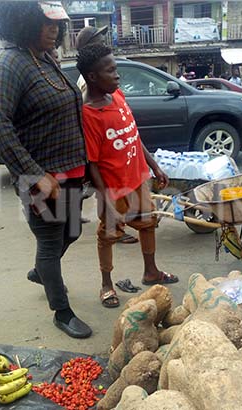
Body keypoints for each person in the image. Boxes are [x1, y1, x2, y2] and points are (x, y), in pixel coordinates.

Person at [0, 1, 92, 339]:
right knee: (49, 241)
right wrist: (32, 173)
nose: (53, 29)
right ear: (22, 23)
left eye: (57, 24)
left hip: (70, 172)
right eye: (45, 23)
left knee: (72, 232)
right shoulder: (8, 63)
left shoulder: (43, 58)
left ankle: (43, 271)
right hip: (41, 178)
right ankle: (62, 310)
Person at [77, 43, 179, 308]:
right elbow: (93, 163)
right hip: (114, 188)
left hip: (138, 178)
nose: (117, 75)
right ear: (92, 77)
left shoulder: (117, 95)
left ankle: (151, 271)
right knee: (109, 233)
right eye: (110, 71)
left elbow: (132, 133)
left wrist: (153, 164)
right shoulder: (89, 113)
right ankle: (107, 285)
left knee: (148, 223)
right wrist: (108, 201)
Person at [74, 25, 139, 243]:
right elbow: (91, 121)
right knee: (106, 196)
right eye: (99, 40)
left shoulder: (107, 80)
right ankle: (113, 228)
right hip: (105, 156)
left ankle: (113, 225)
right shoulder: (88, 83)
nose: (104, 42)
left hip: (116, 152)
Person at [74, 25, 108, 94]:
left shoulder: (98, 75)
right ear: (89, 48)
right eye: (101, 43)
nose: (105, 46)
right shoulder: (88, 83)